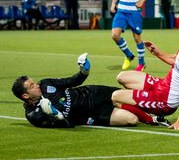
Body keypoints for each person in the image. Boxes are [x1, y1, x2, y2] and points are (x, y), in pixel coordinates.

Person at [11, 53, 169, 128]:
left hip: (90, 93)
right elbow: (66, 125)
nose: (36, 85)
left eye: (34, 83)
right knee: (132, 120)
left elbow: (72, 81)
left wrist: (83, 71)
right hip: (92, 115)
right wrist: (56, 115)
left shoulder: (45, 84)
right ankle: (148, 114)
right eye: (32, 86)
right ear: (25, 96)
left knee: (120, 97)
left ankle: (155, 114)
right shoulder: (34, 115)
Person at [111, 13, 179, 130]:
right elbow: (177, 60)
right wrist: (157, 52)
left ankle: (152, 118)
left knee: (115, 97)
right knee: (121, 77)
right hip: (161, 85)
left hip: (164, 101)